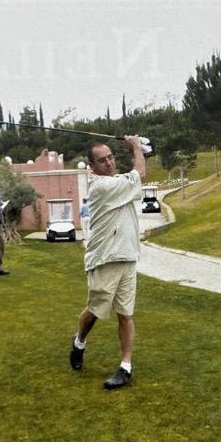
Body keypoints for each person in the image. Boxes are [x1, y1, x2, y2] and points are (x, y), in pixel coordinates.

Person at [69, 136, 147, 389]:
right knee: (95, 312)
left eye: (112, 157)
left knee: (126, 314)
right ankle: (79, 341)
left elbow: (135, 174)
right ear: (92, 166)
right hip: (105, 259)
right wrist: (136, 147)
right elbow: (140, 172)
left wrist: (140, 148)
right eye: (102, 160)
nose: (109, 163)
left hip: (127, 257)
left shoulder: (115, 183)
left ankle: (126, 367)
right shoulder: (102, 187)